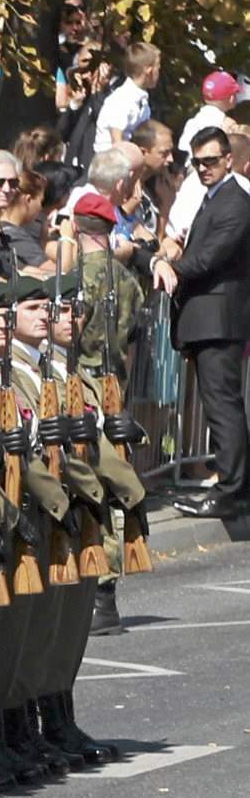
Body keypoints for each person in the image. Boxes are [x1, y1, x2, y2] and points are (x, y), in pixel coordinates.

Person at [160, 125, 250, 516]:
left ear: (228, 159)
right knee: (220, 405)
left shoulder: (235, 202)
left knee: (223, 405)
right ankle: (235, 487)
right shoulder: (213, 197)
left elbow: (209, 258)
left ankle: (232, 491)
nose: (203, 168)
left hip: (219, 318)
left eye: (211, 161)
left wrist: (167, 264)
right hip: (208, 318)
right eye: (197, 162)